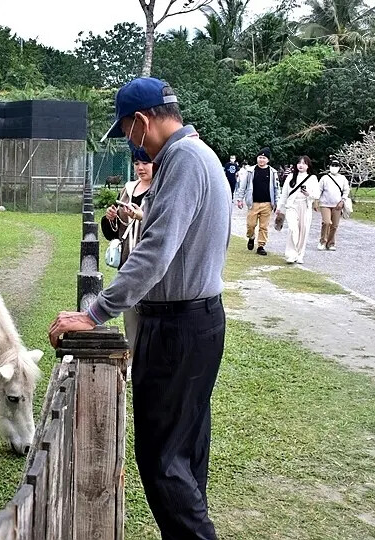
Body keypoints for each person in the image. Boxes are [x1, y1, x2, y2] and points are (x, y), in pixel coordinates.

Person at [49, 77, 231, 539]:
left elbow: (154, 252)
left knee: (162, 462)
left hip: (178, 328)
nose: (131, 141)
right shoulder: (198, 155)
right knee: (185, 452)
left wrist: (94, 313)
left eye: (128, 130)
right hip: (196, 321)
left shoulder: (184, 160)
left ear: (143, 121)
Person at [101, 143, 154, 352]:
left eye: (146, 162)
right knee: (130, 315)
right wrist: (111, 218)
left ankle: (151, 358)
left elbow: (166, 225)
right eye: (137, 163)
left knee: (151, 316)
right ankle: (133, 359)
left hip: (151, 262)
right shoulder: (129, 188)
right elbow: (115, 232)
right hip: (128, 263)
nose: (141, 167)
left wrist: (142, 216)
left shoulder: (162, 188)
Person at [235, 147, 280, 256]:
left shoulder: (273, 172)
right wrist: (239, 199)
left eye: (264, 158)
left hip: (267, 203)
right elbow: (243, 186)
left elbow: (276, 188)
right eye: (260, 157)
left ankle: (261, 245)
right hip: (253, 203)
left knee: (264, 226)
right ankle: (251, 237)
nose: (261, 160)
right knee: (251, 224)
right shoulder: (250, 171)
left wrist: (277, 203)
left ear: (268, 160)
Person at [276, 156, 321, 264]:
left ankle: (300, 254)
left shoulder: (312, 178)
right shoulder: (291, 177)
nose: (301, 165)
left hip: (305, 206)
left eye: (304, 163)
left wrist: (308, 194)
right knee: (293, 229)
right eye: (299, 163)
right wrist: (279, 207)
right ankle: (291, 254)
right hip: (292, 206)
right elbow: (285, 193)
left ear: (308, 166)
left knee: (303, 230)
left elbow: (317, 195)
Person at [317, 158, 350, 251]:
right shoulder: (324, 178)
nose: (334, 167)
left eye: (336, 166)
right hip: (325, 204)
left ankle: (330, 243)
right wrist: (316, 201)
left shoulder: (342, 178)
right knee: (326, 222)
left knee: (334, 225)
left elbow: (346, 190)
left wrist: (342, 201)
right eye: (332, 165)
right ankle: (322, 241)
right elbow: (319, 190)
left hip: (337, 204)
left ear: (339, 168)